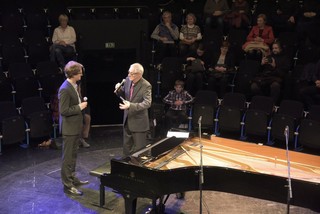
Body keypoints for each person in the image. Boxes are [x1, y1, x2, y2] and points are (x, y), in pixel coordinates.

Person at [59, 61, 88, 196]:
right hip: (69, 129)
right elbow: (63, 110)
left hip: (76, 127)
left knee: (74, 155)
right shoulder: (64, 88)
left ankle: (72, 178)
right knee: (68, 157)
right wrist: (80, 107)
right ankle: (67, 184)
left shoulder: (74, 85)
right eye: (79, 73)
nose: (81, 75)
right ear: (73, 74)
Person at [115, 63, 152, 156]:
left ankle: (139, 169)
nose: (129, 75)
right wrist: (119, 90)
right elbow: (124, 94)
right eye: (129, 72)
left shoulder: (146, 85)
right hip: (127, 119)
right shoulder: (127, 80)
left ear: (139, 74)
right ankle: (127, 168)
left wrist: (131, 106)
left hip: (139, 123)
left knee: (140, 151)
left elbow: (147, 103)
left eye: (132, 73)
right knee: (127, 149)